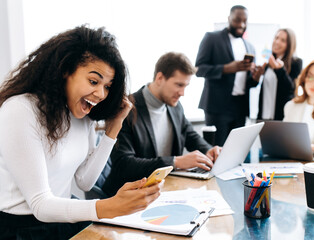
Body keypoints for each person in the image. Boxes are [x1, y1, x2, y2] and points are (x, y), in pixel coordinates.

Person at [0, 25, 161, 239]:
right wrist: (109, 206)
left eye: (107, 86)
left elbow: (84, 181)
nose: (101, 94)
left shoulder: (80, 115)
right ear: (65, 70)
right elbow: (40, 204)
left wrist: (112, 131)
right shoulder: (20, 109)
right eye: (94, 81)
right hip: (22, 228)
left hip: (60, 218)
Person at [102, 52, 221, 196]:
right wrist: (175, 162)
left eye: (186, 86)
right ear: (159, 78)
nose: (182, 93)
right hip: (127, 195)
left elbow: (190, 135)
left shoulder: (176, 107)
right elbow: (124, 164)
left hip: (165, 191)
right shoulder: (125, 108)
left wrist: (208, 151)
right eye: (179, 85)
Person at [195, 5, 263, 146]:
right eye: (238, 20)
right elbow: (199, 69)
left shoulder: (250, 47)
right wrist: (226, 68)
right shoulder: (212, 38)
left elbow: (249, 83)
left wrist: (256, 78)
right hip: (217, 106)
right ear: (229, 19)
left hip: (241, 107)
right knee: (217, 150)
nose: (241, 25)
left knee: (236, 150)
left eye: (245, 21)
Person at [257, 28, 303, 120]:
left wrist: (279, 70)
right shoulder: (267, 63)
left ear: (289, 44)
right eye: (276, 38)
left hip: (281, 116)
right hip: (264, 115)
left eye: (283, 40)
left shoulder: (296, 62)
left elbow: (290, 88)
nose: (277, 42)